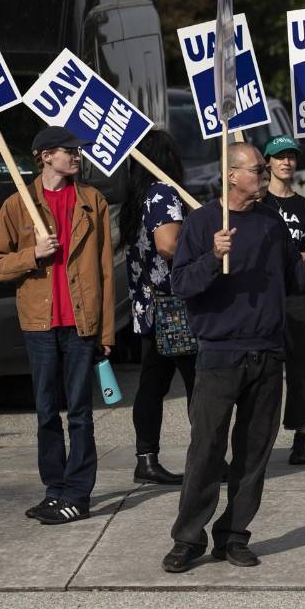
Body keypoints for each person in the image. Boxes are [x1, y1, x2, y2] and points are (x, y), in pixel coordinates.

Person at [161, 142, 305, 573]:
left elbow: (294, 279)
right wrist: (213, 257)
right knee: (205, 451)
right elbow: (182, 284)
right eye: (258, 169)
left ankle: (235, 535)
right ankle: (188, 538)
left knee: (253, 453)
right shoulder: (203, 222)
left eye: (265, 168)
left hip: (267, 352)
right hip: (220, 354)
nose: (265, 174)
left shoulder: (269, 221)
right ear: (231, 175)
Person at [0, 125, 114, 525]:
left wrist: (106, 332)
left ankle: (78, 494)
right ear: (44, 156)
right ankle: (54, 490)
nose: (76, 156)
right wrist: (32, 255)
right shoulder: (17, 205)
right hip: (38, 323)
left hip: (80, 323)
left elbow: (105, 270)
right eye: (67, 151)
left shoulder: (93, 202)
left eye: (77, 151)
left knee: (80, 412)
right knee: (44, 412)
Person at [121, 129, 196, 485]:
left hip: (149, 307)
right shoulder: (164, 193)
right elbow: (168, 245)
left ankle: (146, 457)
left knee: (152, 384)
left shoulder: (136, 199)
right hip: (175, 305)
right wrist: (209, 251)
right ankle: (206, 458)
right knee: (201, 384)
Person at [260, 134, 305, 466]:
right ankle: (262, 435)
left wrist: (303, 256)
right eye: (279, 156)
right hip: (264, 296)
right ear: (267, 162)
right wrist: (302, 255)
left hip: (298, 296)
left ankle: (300, 434)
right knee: (264, 369)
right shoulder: (259, 206)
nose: (286, 162)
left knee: (299, 369)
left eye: (291, 156)